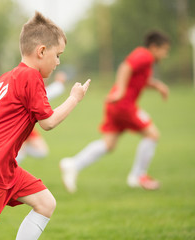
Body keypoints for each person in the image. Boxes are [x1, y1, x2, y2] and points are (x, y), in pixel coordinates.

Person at [0, 12, 90, 240]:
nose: (58, 62)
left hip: (4, 165)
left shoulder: (9, 76)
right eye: (58, 55)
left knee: (45, 203)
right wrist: (74, 98)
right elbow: (48, 123)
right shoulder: (32, 78)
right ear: (42, 51)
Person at [60, 31, 170, 193]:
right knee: (152, 135)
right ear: (154, 47)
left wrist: (158, 86)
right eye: (164, 50)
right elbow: (125, 67)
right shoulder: (145, 55)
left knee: (108, 144)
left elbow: (140, 80)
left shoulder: (146, 60)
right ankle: (138, 176)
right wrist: (120, 91)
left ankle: (73, 164)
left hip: (116, 105)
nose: (165, 55)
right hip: (123, 104)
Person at [16, 70, 67, 163]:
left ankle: (19, 150)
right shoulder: (30, 87)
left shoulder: (37, 88)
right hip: (17, 125)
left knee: (42, 152)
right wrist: (59, 85)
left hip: (26, 125)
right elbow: (45, 95)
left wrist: (58, 85)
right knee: (14, 157)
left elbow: (45, 95)